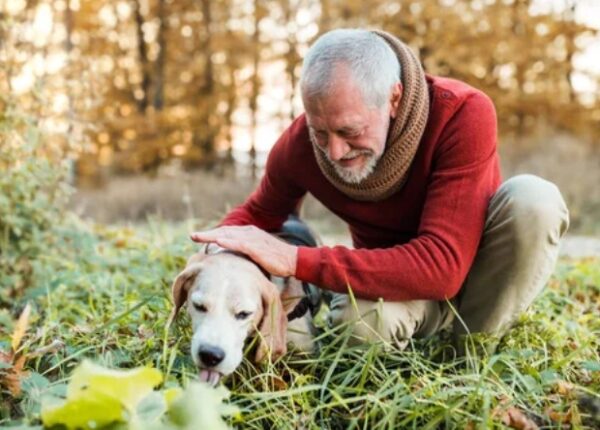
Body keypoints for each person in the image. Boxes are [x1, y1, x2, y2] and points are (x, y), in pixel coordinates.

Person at [190, 29, 569, 354]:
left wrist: (295, 259)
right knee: (359, 320)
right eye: (320, 132)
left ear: (394, 98)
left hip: (479, 282)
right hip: (397, 291)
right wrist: (215, 256)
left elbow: (442, 267)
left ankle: (470, 354)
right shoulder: (300, 145)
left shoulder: (462, 114)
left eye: (349, 131)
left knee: (534, 200)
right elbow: (258, 214)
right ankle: (402, 356)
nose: (334, 151)